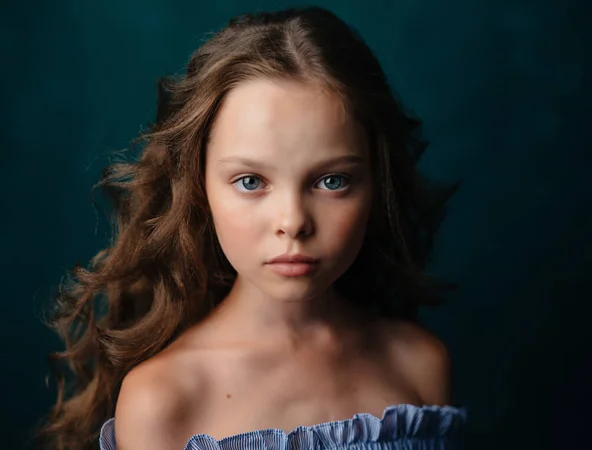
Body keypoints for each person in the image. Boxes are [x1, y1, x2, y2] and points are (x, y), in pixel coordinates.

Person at [35, 6, 466, 450]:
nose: (293, 222)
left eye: (332, 181)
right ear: (199, 187)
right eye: (250, 182)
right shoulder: (162, 402)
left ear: (378, 183)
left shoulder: (419, 365)